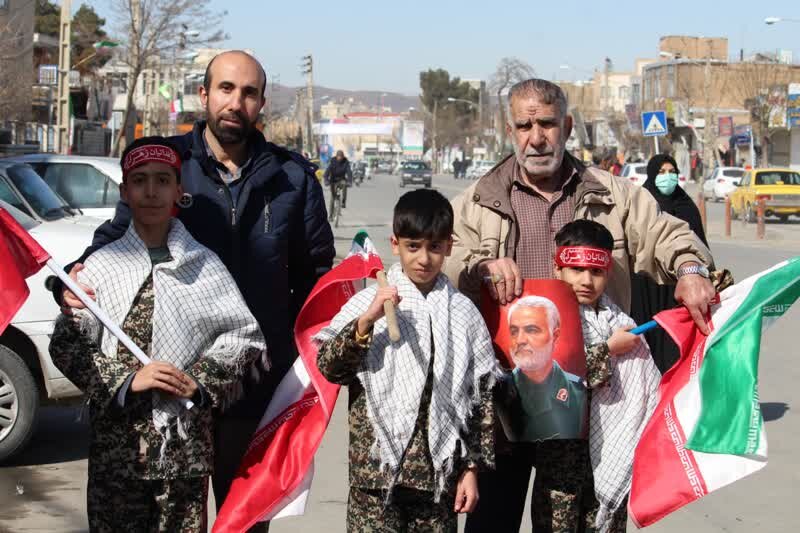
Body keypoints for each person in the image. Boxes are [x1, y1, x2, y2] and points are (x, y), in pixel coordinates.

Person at [52, 50, 335, 531]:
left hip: (251, 387)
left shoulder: (292, 179)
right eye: (225, 89)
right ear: (204, 95)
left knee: (242, 522)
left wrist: (303, 363)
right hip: (173, 391)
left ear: (261, 103)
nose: (235, 102)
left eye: (248, 93)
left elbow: (315, 281)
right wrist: (70, 282)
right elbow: (114, 244)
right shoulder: (168, 167)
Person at [446, 78, 714, 533]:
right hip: (502, 400)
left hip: (587, 404)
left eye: (547, 123)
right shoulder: (478, 201)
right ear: (509, 130)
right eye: (525, 124)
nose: (537, 136)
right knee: (491, 522)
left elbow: (668, 233)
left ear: (567, 126)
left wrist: (690, 268)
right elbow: (441, 257)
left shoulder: (614, 195)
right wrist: (478, 267)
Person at [48, 137, 268, 532]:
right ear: (124, 191)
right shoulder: (100, 267)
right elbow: (67, 342)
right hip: (119, 456)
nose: (151, 192)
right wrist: (128, 381)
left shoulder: (204, 266)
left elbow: (244, 336)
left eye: (163, 180)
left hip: (185, 456)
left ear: (178, 191)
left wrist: (198, 382)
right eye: (140, 180)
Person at [316, 189, 500, 532]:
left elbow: (480, 401)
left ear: (449, 246)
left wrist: (471, 469)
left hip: (437, 481)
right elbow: (330, 368)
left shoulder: (463, 314)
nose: (424, 259)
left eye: (434, 247)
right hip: (376, 476)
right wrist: (366, 322)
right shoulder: (370, 302)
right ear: (395, 243)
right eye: (413, 246)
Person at [553, 219, 661, 532]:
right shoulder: (545, 316)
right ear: (558, 268)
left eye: (597, 272)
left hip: (614, 451)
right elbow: (550, 379)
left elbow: (645, 390)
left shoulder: (622, 323)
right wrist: (608, 351)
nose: (587, 280)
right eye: (577, 270)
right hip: (561, 461)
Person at [630, 154, 708, 374]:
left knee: (677, 343)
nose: (668, 177)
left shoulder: (687, 206)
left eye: (672, 172)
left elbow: (701, 247)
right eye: (662, 172)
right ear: (652, 174)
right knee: (649, 341)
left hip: (679, 285)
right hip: (647, 285)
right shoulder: (641, 203)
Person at [498, 296, 587, 442]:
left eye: (531, 330)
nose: (520, 340)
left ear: (555, 336)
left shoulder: (578, 391)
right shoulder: (497, 392)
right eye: (514, 331)